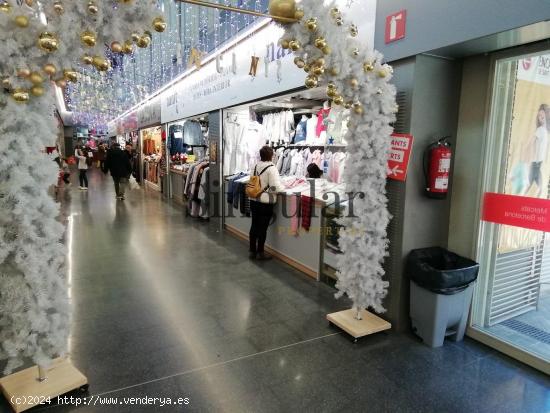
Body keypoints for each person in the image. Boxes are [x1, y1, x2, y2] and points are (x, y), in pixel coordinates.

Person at [248, 146, 285, 260]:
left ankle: (252, 251)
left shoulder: (255, 165)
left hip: (254, 199)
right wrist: (284, 187)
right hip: (265, 202)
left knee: (254, 225)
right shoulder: (271, 168)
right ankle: (261, 252)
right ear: (271, 155)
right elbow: (275, 188)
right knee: (262, 228)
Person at [524, 104, 550, 197]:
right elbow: (530, 143)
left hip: (538, 165)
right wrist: (527, 155)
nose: (541, 117)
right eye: (539, 115)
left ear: (547, 116)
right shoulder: (540, 130)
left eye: (542, 115)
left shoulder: (546, 132)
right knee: (528, 188)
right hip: (535, 165)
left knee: (540, 189)